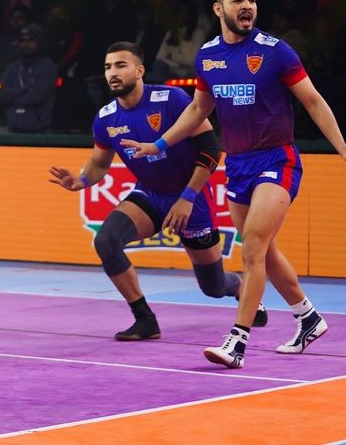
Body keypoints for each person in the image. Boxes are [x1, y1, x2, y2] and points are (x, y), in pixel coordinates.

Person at [122, 0, 345, 369]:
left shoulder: (276, 52)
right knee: (266, 251)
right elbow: (198, 110)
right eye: (238, 0)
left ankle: (237, 341)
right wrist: (158, 144)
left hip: (277, 160)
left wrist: (343, 148)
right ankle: (308, 316)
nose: (247, 7)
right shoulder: (208, 56)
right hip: (237, 164)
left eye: (252, 0)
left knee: (253, 248)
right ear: (218, 8)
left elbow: (312, 101)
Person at [49, 41, 264, 340]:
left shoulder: (171, 99)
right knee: (107, 241)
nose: (112, 73)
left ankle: (239, 287)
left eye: (121, 65)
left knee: (213, 287)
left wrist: (187, 198)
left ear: (139, 71)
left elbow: (210, 149)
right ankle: (145, 320)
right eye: (108, 67)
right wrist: (82, 181)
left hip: (191, 198)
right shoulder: (106, 117)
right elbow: (99, 162)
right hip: (149, 194)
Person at [0, 24, 57, 134]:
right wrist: (24, 90)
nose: (26, 44)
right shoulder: (12, 68)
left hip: (40, 132)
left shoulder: (48, 67)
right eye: (23, 41)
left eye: (31, 41)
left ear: (40, 43)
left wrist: (13, 100)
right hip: (14, 129)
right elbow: (2, 95)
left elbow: (38, 96)